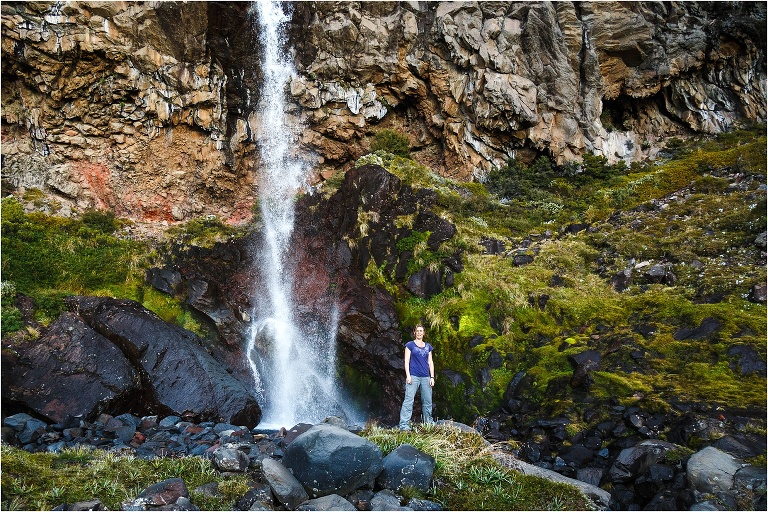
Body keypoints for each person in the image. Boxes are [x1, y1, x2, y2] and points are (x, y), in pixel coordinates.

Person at [398, 324, 435, 430]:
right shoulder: (410, 345)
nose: (419, 332)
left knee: (427, 401)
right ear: (414, 332)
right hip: (413, 376)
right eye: (417, 331)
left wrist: (432, 377)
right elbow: (406, 361)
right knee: (409, 400)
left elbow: (430, 362)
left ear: (424, 333)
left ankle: (428, 422)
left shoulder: (428, 346)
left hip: (426, 377)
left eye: (421, 331)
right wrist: (408, 375)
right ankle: (404, 424)